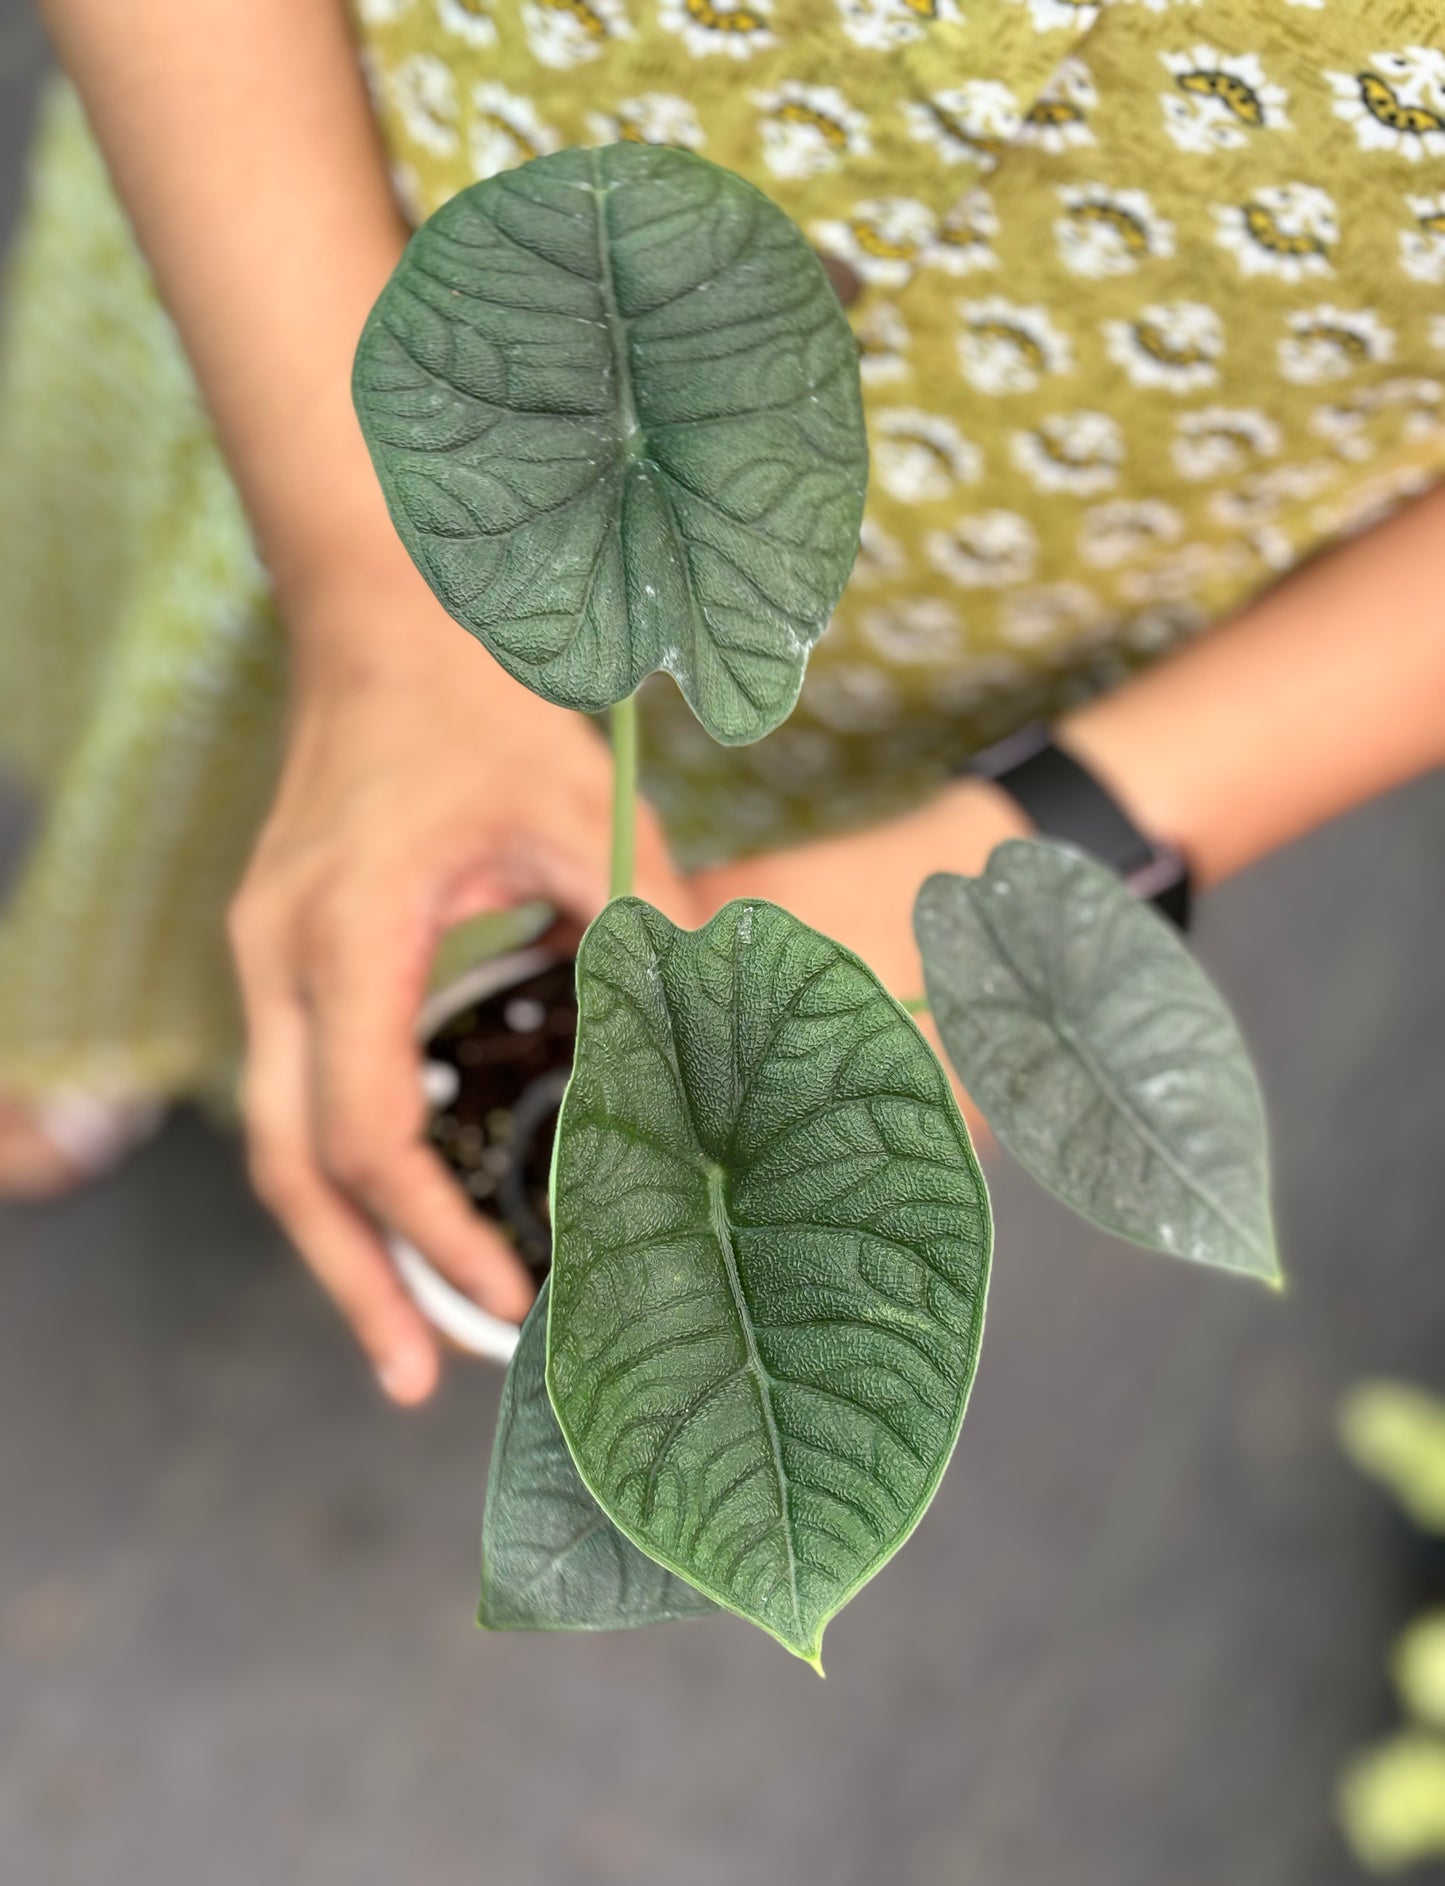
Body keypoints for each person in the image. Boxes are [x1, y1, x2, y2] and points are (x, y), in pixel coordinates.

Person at [1, 0, 1442, 1403]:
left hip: (917, 675)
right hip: (296, 284)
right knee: (190, 777)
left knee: (469, 934)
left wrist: (1063, 837)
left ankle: (171, 1027)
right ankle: (111, 1012)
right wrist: (370, 589)